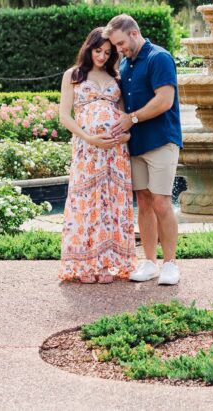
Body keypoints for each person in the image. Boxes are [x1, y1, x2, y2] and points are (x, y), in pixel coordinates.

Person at [105, 14, 183, 286]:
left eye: (121, 43)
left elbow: (164, 101)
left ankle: (170, 264)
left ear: (134, 33)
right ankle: (149, 262)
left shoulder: (159, 58)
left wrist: (132, 118)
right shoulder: (125, 64)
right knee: (145, 203)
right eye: (115, 46)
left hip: (161, 140)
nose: (118, 49)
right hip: (136, 144)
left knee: (161, 202)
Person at [56, 27, 137, 284]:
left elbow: (125, 117)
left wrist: (125, 137)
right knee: (86, 202)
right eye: (98, 50)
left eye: (107, 52)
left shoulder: (116, 77)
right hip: (88, 150)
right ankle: (84, 264)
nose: (102, 56)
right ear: (88, 48)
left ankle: (108, 263)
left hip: (115, 153)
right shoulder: (74, 75)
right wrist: (89, 137)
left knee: (110, 205)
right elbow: (64, 116)